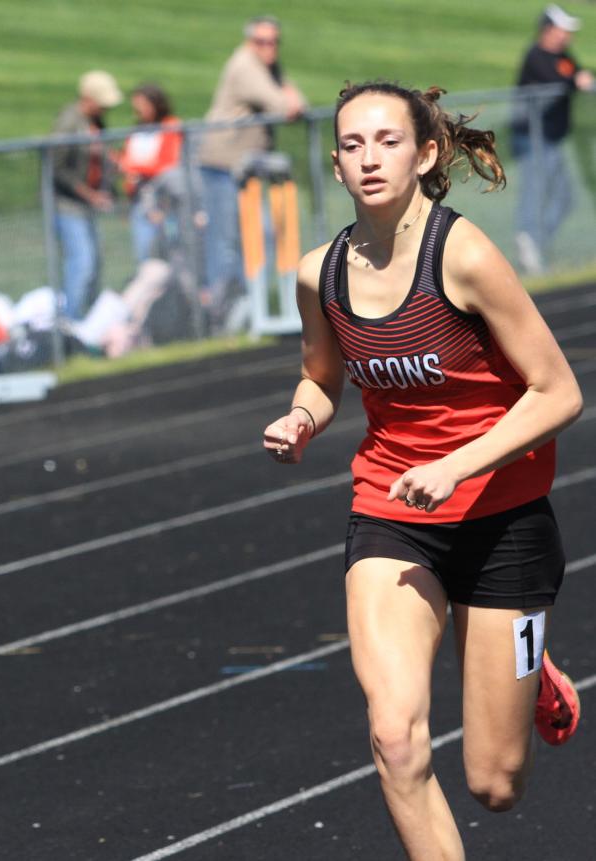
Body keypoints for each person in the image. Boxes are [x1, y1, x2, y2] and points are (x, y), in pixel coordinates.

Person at [263, 81, 582, 860]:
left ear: (426, 153)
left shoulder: (464, 255)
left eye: (387, 141)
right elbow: (322, 375)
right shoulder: (321, 274)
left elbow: (560, 391)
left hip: (503, 518)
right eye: (352, 145)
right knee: (395, 735)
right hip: (392, 513)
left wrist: (458, 464)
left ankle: (530, 672)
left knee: (494, 783)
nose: (369, 158)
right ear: (335, 165)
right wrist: (302, 416)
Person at [196, 15, 305, 318]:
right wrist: (288, 99)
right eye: (261, 41)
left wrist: (289, 98)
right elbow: (285, 105)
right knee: (226, 241)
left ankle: (246, 305)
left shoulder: (268, 67)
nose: (268, 47)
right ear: (249, 42)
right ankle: (222, 313)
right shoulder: (245, 66)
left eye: (273, 41)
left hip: (245, 168)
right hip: (222, 165)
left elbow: (299, 101)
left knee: (260, 234)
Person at [510, 4, 594, 274]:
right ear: (548, 30)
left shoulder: (563, 57)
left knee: (562, 197)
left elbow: (578, 75)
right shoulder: (535, 57)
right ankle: (528, 242)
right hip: (532, 138)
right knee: (535, 192)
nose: (567, 36)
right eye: (562, 30)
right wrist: (576, 81)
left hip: (552, 140)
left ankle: (535, 243)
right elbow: (562, 81)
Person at [51, 69, 122, 320]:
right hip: (67, 205)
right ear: (88, 98)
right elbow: (57, 168)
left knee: (95, 263)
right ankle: (71, 323)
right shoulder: (69, 122)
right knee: (82, 263)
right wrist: (89, 195)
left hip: (86, 205)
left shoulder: (96, 122)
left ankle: (89, 319)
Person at [119, 83, 184, 262]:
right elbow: (126, 157)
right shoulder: (137, 129)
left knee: (170, 253)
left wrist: (134, 167)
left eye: (142, 104)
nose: (137, 110)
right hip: (140, 197)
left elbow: (168, 164)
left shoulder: (170, 126)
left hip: (164, 200)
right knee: (145, 254)